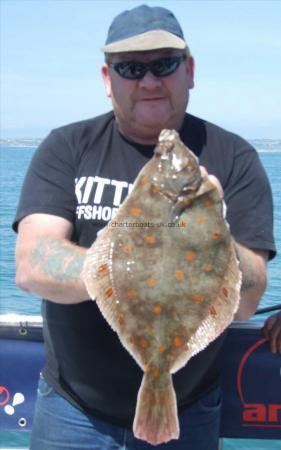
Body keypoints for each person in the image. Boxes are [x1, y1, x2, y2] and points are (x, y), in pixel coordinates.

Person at [13, 4, 276, 450]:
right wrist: (129, 264)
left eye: (164, 65)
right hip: (72, 412)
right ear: (106, 79)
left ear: (189, 71)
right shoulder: (67, 146)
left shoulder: (235, 159)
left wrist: (211, 228)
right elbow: (31, 266)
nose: (149, 81)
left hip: (189, 409)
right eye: (131, 68)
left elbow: (247, 300)